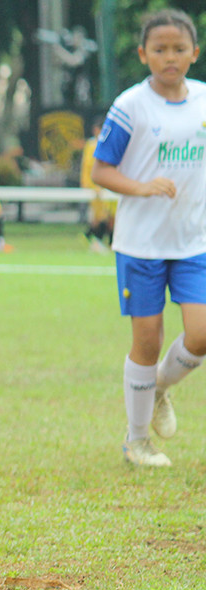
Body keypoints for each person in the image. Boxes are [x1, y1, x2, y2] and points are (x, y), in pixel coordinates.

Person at [91, 8, 206, 467]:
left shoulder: (203, 100)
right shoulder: (131, 105)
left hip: (193, 240)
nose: (170, 57)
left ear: (195, 52)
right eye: (160, 49)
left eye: (179, 49)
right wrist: (142, 187)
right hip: (141, 244)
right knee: (147, 340)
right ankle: (136, 441)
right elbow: (101, 170)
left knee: (201, 335)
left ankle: (157, 387)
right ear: (143, 54)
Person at [80, 116, 115, 253]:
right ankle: (93, 238)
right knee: (99, 215)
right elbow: (87, 166)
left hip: (109, 185)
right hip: (95, 186)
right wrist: (88, 184)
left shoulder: (110, 143)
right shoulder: (91, 145)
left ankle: (107, 242)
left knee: (111, 215)